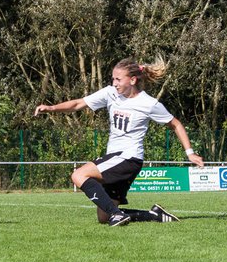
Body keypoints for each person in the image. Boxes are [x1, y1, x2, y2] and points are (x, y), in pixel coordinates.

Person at [34, 58, 203, 226]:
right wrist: (52, 108)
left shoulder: (149, 103)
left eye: (118, 79)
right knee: (103, 217)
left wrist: (190, 153)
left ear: (133, 80)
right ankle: (153, 215)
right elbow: (79, 103)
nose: (114, 83)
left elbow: (176, 124)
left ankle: (117, 215)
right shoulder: (110, 93)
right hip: (116, 158)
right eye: (113, 79)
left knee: (78, 175)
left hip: (128, 158)